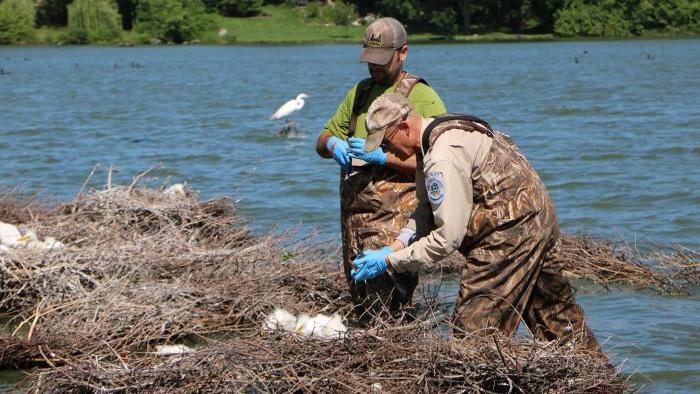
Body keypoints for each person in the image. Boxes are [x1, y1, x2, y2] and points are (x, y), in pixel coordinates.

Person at [350, 92, 602, 352]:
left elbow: (447, 239)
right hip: (538, 217)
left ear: (404, 127)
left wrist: (391, 262)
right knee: (558, 319)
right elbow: (427, 208)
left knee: (473, 335)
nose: (387, 151)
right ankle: (603, 383)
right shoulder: (438, 130)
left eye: (387, 142)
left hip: (509, 232)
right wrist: (395, 245)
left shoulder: (442, 158)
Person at [315, 18, 446, 316]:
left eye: (382, 61)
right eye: (370, 61)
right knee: (361, 298)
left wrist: (384, 158)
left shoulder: (421, 97)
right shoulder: (360, 93)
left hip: (395, 221)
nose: (375, 68)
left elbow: (440, 164)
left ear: (403, 53)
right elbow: (322, 138)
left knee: (387, 299)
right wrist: (332, 145)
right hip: (353, 218)